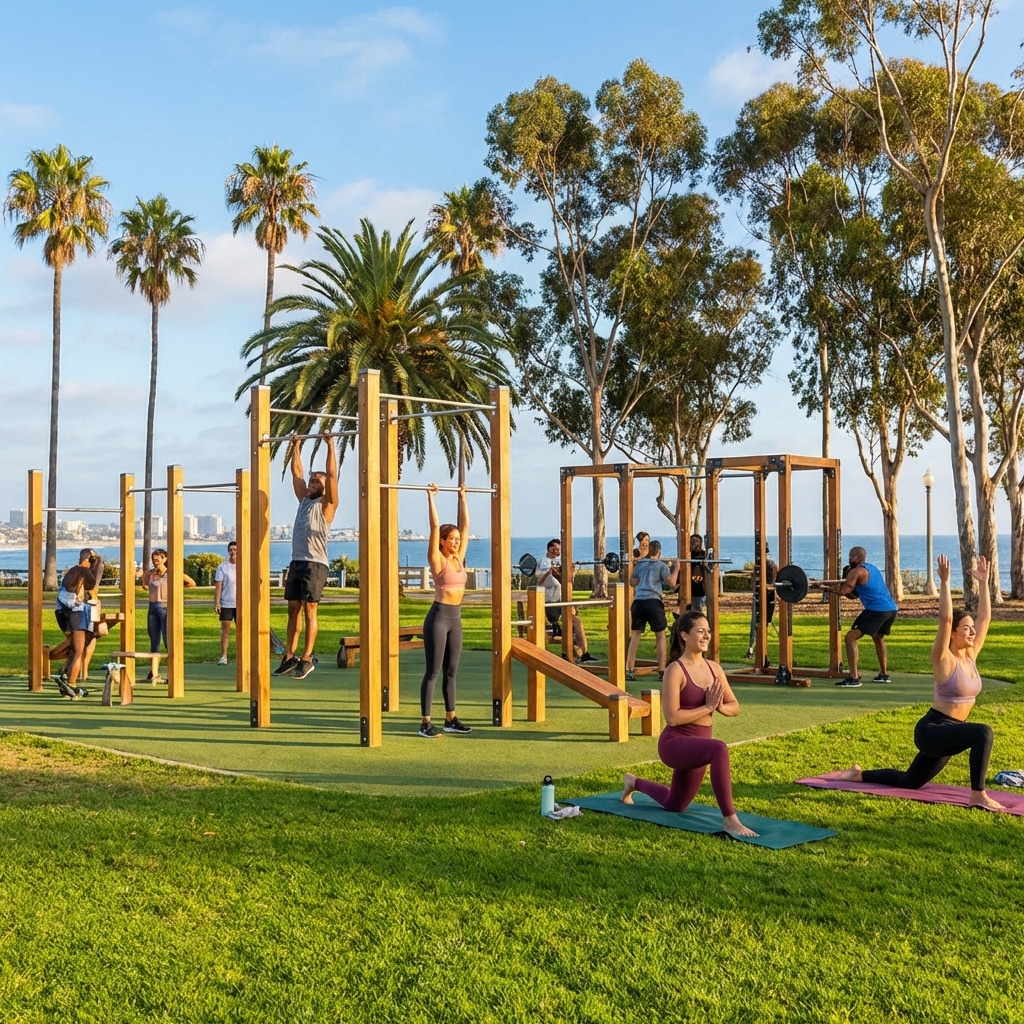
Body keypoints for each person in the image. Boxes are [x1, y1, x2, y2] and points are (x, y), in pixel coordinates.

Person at [835, 555, 1004, 811]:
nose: (972, 632)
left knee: (909, 782)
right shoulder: (943, 658)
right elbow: (945, 621)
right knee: (983, 732)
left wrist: (983, 583)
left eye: (972, 628)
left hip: (950, 731)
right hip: (933, 729)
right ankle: (978, 795)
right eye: (966, 628)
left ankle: (858, 774)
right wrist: (945, 583)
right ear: (954, 633)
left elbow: (985, 619)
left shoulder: (970, 655)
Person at [621, 610, 758, 838]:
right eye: (700, 631)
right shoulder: (675, 671)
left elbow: (734, 706)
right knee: (719, 749)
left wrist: (719, 707)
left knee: (675, 805)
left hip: (697, 747)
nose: (706, 636)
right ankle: (730, 820)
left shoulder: (715, 669)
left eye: (709, 631)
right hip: (675, 744)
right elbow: (672, 718)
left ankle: (633, 782)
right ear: (685, 635)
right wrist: (706, 708)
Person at [274, 433, 339, 680]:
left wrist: (330, 444)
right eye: (311, 481)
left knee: (310, 609)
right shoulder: (303, 500)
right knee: (293, 608)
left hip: (316, 563)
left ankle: (308, 658)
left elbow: (332, 476)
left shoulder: (327, 504)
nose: (311, 483)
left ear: (323, 488)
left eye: (316, 481)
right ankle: (289, 656)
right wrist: (296, 446)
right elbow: (297, 474)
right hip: (297, 561)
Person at [419, 483, 472, 737]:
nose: (457, 542)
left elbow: (467, 527)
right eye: (452, 539)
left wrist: (462, 497)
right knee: (434, 670)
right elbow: (432, 527)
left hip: (456, 619)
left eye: (458, 540)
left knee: (452, 671)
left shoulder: (458, 559)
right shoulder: (437, 559)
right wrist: (431, 498)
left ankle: (451, 718)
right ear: (443, 541)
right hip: (439, 618)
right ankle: (426, 722)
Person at [824, 546, 898, 687]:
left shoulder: (856, 571)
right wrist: (837, 590)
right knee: (878, 637)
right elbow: (852, 595)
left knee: (850, 637)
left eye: (850, 556)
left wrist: (830, 588)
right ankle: (884, 674)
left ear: (856, 558)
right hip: (891, 609)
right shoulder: (872, 569)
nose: (849, 559)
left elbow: (845, 589)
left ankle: (854, 678)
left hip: (876, 610)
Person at [625, 540, 681, 681]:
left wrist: (642, 575)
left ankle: (629, 669)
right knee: (660, 635)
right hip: (653, 601)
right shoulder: (661, 565)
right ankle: (662, 671)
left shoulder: (640, 564)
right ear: (659, 552)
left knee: (636, 634)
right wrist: (676, 568)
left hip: (638, 602)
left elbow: (632, 582)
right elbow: (672, 583)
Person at [140, 548, 196, 683]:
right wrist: (144, 577)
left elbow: (191, 582)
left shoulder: (172, 573)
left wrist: (177, 589)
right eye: (154, 558)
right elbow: (144, 585)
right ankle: (153, 673)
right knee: (154, 641)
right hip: (152, 608)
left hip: (165, 608)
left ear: (165, 559)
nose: (155, 561)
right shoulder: (151, 574)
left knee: (167, 640)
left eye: (158, 558)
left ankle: (173, 672)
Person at [536, 538, 597, 663]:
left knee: (577, 622)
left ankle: (584, 653)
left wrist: (570, 571)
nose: (558, 551)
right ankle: (567, 651)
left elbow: (566, 583)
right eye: (556, 549)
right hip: (550, 603)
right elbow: (540, 582)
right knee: (558, 628)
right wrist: (550, 571)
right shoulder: (544, 562)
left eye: (559, 549)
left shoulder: (560, 563)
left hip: (562, 601)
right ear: (550, 549)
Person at [54, 548, 104, 696]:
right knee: (78, 651)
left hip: (63, 613)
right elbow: (94, 583)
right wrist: (98, 561)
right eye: (93, 561)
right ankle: (72, 683)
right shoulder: (83, 571)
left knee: (77, 646)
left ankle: (65, 675)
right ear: (88, 560)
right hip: (75, 614)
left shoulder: (72, 571)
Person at [746, 543, 778, 659]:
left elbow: (770, 583)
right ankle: (753, 648)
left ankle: (755, 648)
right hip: (764, 596)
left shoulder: (769, 565)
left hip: (765, 596)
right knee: (758, 623)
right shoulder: (766, 565)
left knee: (758, 623)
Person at [214, 540, 238, 665]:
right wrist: (217, 602)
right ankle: (223, 656)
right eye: (231, 550)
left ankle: (244, 655)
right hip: (227, 603)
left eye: (235, 549)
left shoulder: (245, 565)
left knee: (243, 631)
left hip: (241, 604)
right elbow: (219, 585)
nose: (233, 552)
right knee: (225, 630)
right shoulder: (222, 567)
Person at [687, 534, 708, 613]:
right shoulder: (688, 555)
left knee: (699, 610)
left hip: (701, 589)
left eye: (696, 541)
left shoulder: (704, 555)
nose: (694, 543)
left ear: (701, 543)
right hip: (689, 588)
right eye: (692, 541)